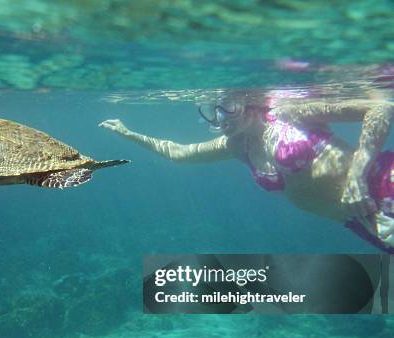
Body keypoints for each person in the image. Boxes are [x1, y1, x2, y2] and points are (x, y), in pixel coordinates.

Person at [99, 95, 394, 252]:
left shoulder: (290, 113)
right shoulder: (237, 146)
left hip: (381, 185)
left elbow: (380, 108)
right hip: (363, 223)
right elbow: (179, 153)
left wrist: (357, 177)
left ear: (247, 102)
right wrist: (129, 134)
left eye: (227, 106)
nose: (220, 118)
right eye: (211, 110)